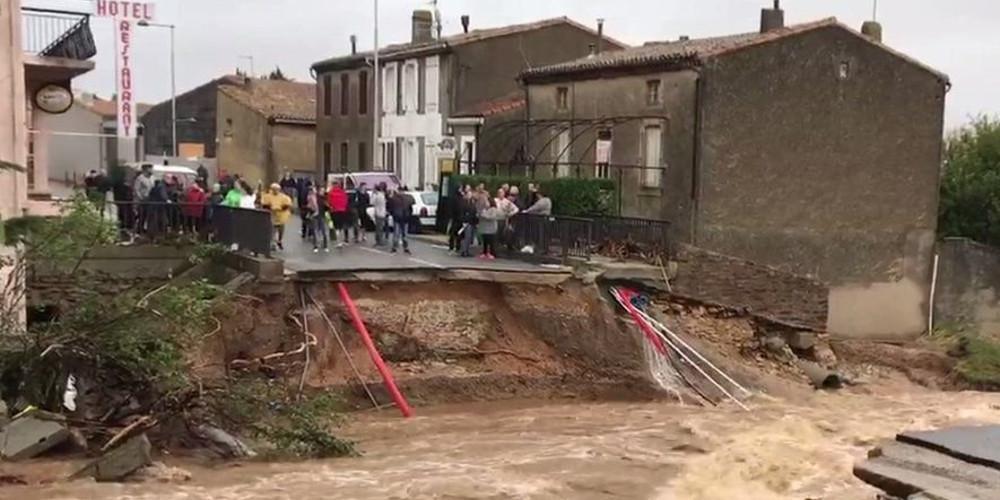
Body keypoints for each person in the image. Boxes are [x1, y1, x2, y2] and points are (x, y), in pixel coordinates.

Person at [261, 183, 293, 250]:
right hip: (272, 216)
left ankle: (279, 240)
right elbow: (264, 205)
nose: (275, 191)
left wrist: (281, 208)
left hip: (281, 217)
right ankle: (273, 244)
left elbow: (287, 205)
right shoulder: (268, 196)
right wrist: (271, 208)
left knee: (281, 230)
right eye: (274, 189)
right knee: (272, 230)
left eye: (277, 189)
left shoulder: (284, 197)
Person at [388, 188, 414, 254]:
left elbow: (390, 207)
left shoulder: (394, 199)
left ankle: (395, 248)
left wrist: (392, 214)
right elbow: (410, 209)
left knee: (396, 234)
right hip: (404, 219)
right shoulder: (408, 199)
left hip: (398, 218)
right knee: (404, 234)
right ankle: (405, 247)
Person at [133, 164, 154, 234]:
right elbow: (136, 189)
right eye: (150, 168)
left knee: (150, 216)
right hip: (142, 200)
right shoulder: (140, 178)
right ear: (145, 169)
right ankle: (140, 230)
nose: (151, 170)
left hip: (150, 200)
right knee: (142, 216)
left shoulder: (152, 178)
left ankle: (148, 229)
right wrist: (140, 198)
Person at [308, 186, 330, 252]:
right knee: (315, 231)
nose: (322, 192)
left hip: (322, 216)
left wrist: (327, 207)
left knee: (324, 232)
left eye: (323, 191)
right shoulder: (314, 197)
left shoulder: (325, 198)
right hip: (315, 216)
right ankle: (315, 246)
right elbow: (310, 205)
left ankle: (325, 246)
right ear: (318, 191)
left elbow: (327, 208)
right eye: (321, 191)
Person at [458, 188, 479, 257]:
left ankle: (467, 250)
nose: (470, 196)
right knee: (466, 237)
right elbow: (462, 213)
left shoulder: (472, 203)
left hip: (472, 222)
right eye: (469, 194)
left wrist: (476, 221)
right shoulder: (464, 203)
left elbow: (474, 212)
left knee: (469, 238)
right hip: (466, 222)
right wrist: (463, 221)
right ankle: (464, 251)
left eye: (471, 194)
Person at [328, 182, 349, 247]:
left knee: (336, 227)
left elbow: (329, 202)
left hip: (334, 211)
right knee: (341, 226)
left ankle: (338, 242)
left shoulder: (331, 193)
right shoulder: (343, 192)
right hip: (343, 210)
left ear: (333, 185)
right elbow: (346, 200)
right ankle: (345, 240)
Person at [371, 183, 388, 247]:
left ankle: (378, 241)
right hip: (381, 213)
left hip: (378, 213)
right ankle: (379, 241)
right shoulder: (382, 195)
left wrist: (373, 194)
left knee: (378, 228)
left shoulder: (377, 195)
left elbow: (372, 202)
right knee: (380, 228)